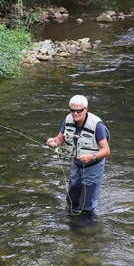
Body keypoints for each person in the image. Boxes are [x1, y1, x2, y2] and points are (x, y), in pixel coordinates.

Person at [47, 95, 110, 226]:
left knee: (87, 205)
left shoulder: (96, 124)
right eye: (72, 110)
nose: (75, 113)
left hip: (94, 165)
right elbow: (60, 139)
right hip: (76, 164)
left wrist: (91, 156)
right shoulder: (68, 119)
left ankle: (85, 231)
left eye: (79, 111)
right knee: (72, 199)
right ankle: (71, 222)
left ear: (86, 109)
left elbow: (106, 150)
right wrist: (53, 142)